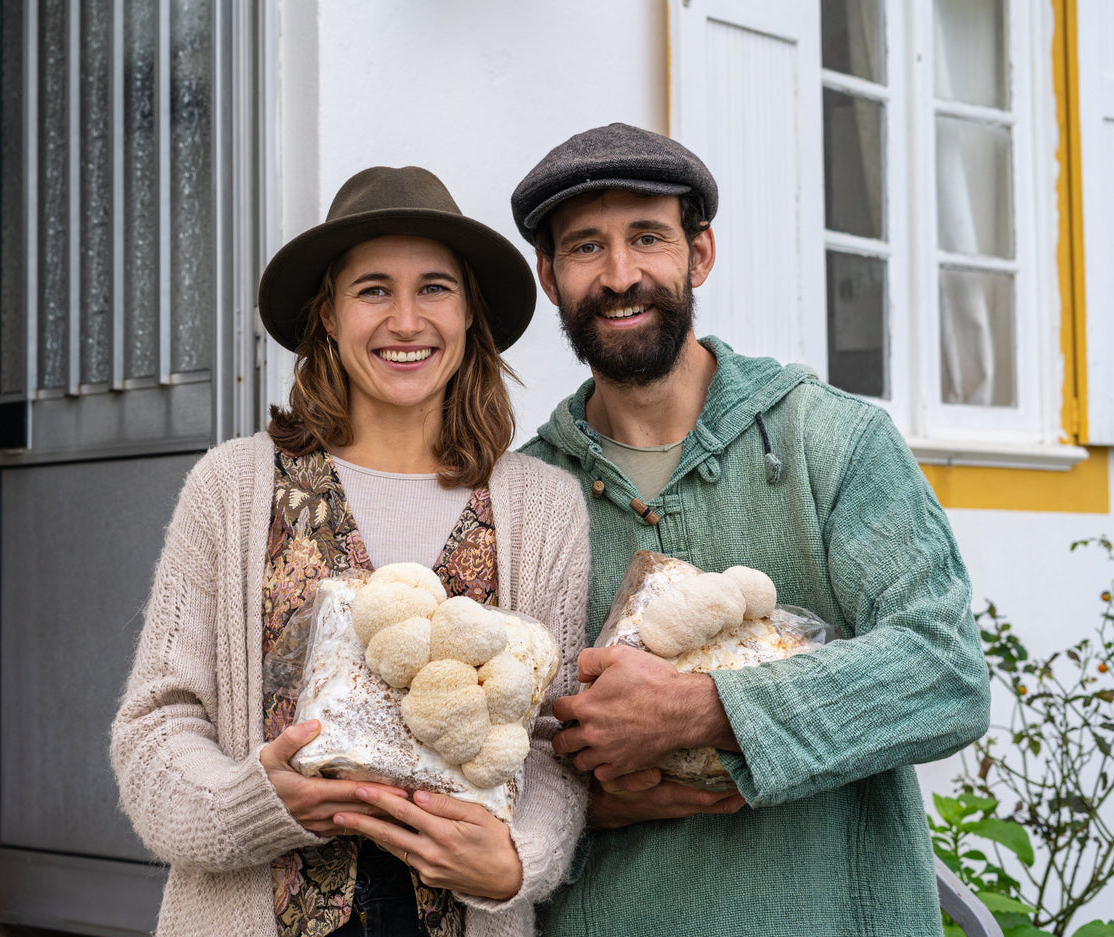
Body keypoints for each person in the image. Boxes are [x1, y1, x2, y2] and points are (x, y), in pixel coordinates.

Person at [510, 123, 992, 936]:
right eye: (585, 246)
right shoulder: (525, 495)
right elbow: (494, 760)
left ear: (698, 254)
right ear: (549, 277)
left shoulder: (830, 440)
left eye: (647, 237)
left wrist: (702, 710)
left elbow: (943, 674)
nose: (620, 274)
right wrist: (593, 797)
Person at [110, 165, 590, 937]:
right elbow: (158, 723)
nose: (406, 320)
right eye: (372, 289)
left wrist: (516, 861)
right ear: (327, 315)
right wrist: (252, 802)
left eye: (434, 287)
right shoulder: (233, 485)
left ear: (470, 313)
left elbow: (548, 740)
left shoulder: (541, 505)